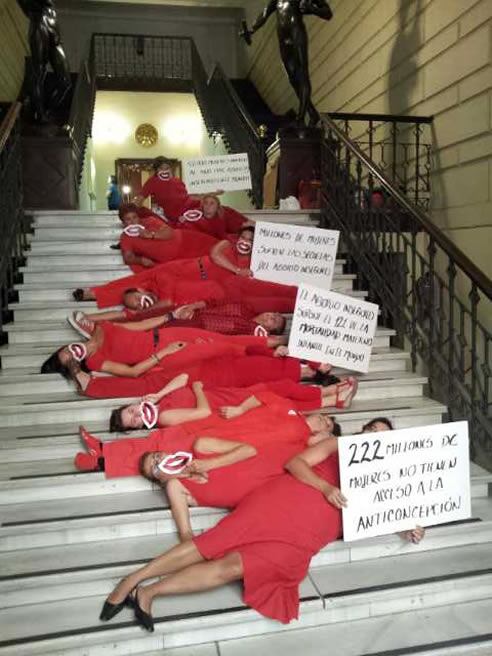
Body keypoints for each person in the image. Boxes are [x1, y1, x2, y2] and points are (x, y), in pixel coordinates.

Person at [100, 436, 424, 631]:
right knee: (214, 542)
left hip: (310, 532)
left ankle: (149, 592)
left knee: (235, 567)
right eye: (373, 429)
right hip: (285, 499)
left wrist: (403, 524)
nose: (376, 434)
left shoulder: (389, 475)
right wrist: (325, 486)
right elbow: (295, 463)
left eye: (383, 432)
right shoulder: (338, 445)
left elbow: (377, 508)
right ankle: (131, 580)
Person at [75, 386, 340, 477]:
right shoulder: (291, 409)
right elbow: (263, 395)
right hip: (223, 422)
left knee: (167, 455)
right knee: (164, 437)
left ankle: (103, 464)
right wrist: (238, 409)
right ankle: (105, 448)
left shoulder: (304, 441)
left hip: (230, 443)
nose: (323, 420)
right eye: (325, 417)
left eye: (328, 423)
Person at [73, 226, 298, 313]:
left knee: (268, 293)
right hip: (186, 269)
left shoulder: (254, 261)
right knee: (142, 279)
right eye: (244, 237)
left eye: (251, 239)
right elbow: (215, 256)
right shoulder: (227, 245)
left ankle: (300, 297)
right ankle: (94, 292)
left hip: (207, 287)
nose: (245, 241)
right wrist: (237, 270)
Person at [66, 343, 344, 400]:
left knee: (152, 383)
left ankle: (93, 386)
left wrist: (331, 382)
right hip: (216, 366)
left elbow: (297, 393)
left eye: (317, 365)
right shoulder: (292, 358)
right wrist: (276, 350)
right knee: (154, 373)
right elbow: (251, 351)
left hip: (218, 379)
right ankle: (97, 381)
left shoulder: (294, 380)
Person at [40, 318, 277, 380]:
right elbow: (132, 372)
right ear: (74, 364)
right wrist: (164, 353)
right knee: (228, 349)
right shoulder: (94, 362)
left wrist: (171, 316)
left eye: (67, 349)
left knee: (228, 340)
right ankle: (280, 357)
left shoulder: (99, 329)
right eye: (69, 358)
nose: (73, 352)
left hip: (167, 333)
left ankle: (285, 341)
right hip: (167, 353)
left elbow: (140, 325)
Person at [108, 374, 354, 432]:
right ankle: (334, 399)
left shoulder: (159, 403)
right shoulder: (164, 419)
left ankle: (331, 392)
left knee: (279, 390)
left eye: (131, 410)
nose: (137, 414)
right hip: (225, 408)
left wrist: (159, 394)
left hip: (227, 395)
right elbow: (202, 412)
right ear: (139, 428)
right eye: (134, 421)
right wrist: (197, 388)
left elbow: (182, 376)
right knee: (281, 401)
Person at [68, 301, 288, 342]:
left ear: (268, 330)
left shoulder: (251, 333)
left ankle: (98, 331)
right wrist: (191, 306)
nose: (271, 317)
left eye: (273, 322)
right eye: (273, 314)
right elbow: (212, 302)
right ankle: (93, 321)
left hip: (195, 331)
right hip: (189, 313)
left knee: (146, 332)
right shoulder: (245, 307)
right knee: (141, 315)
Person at [116, 204, 218, 274]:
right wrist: (140, 260)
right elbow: (128, 257)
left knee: (218, 247)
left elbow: (170, 232)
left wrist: (151, 235)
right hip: (175, 258)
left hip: (185, 240)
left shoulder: (149, 221)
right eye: (128, 219)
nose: (133, 222)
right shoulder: (125, 237)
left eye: (134, 217)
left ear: (139, 217)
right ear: (123, 222)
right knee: (210, 263)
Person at [134, 156, 223, 223]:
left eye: (167, 168)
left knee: (224, 211)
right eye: (161, 168)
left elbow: (191, 197)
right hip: (178, 216)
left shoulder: (177, 180)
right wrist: (133, 216)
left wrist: (214, 193)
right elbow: (139, 200)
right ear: (156, 170)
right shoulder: (152, 182)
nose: (165, 171)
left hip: (194, 208)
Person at [178, 194, 249, 239]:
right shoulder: (195, 216)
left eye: (212, 203)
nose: (208, 206)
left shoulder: (223, 216)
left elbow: (238, 226)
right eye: (206, 203)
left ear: (217, 207)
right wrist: (183, 221)